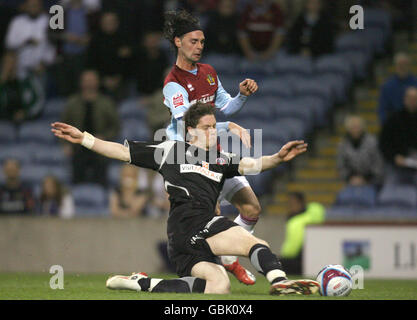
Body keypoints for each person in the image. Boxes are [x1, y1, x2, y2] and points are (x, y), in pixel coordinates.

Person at [50, 102, 319, 295]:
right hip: (188, 224)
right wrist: (84, 138)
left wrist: (278, 158)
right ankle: (281, 282)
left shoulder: (220, 160)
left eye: (215, 127)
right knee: (255, 242)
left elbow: (253, 164)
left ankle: (142, 284)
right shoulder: (170, 151)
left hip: (186, 240)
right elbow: (122, 152)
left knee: (218, 287)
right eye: (206, 127)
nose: (213, 132)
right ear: (190, 131)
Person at [162, 9, 260, 285]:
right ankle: (209, 272)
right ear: (178, 42)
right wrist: (228, 128)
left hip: (214, 155)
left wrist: (242, 94)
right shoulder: (173, 85)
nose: (199, 46)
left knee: (251, 209)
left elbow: (226, 105)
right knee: (210, 217)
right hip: (188, 159)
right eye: (193, 41)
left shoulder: (208, 73)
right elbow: (188, 130)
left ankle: (228, 258)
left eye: (202, 42)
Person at [61, 70, 120, 187]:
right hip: (77, 146)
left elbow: (116, 126)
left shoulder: (106, 103)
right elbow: (63, 125)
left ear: (97, 82)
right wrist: (65, 143)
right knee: (76, 179)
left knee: (101, 178)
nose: (89, 84)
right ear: (81, 83)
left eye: (92, 81)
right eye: (86, 81)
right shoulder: (72, 103)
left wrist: (105, 137)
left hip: (99, 146)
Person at [279, 192, 325, 275]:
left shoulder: (309, 215)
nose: (290, 206)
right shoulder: (292, 219)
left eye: (292, 203)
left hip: (305, 255)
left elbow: (317, 212)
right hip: (292, 256)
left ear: (301, 203)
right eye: (289, 204)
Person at [379, 86, 417, 185]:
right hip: (396, 166)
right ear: (405, 99)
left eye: (415, 98)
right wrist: (394, 157)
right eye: (410, 98)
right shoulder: (393, 119)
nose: (412, 101)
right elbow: (383, 143)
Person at [337, 115, 384, 187]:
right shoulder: (343, 144)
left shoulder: (373, 142)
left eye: (358, 127)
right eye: (353, 127)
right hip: (350, 182)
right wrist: (350, 177)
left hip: (372, 180)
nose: (356, 130)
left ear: (362, 127)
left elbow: (378, 163)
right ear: (348, 129)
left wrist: (366, 178)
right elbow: (341, 165)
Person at [378, 52, 417, 124]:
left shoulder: (415, 83)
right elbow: (382, 109)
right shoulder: (387, 86)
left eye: (405, 64)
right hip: (394, 125)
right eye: (399, 64)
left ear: (409, 65)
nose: (402, 67)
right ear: (395, 66)